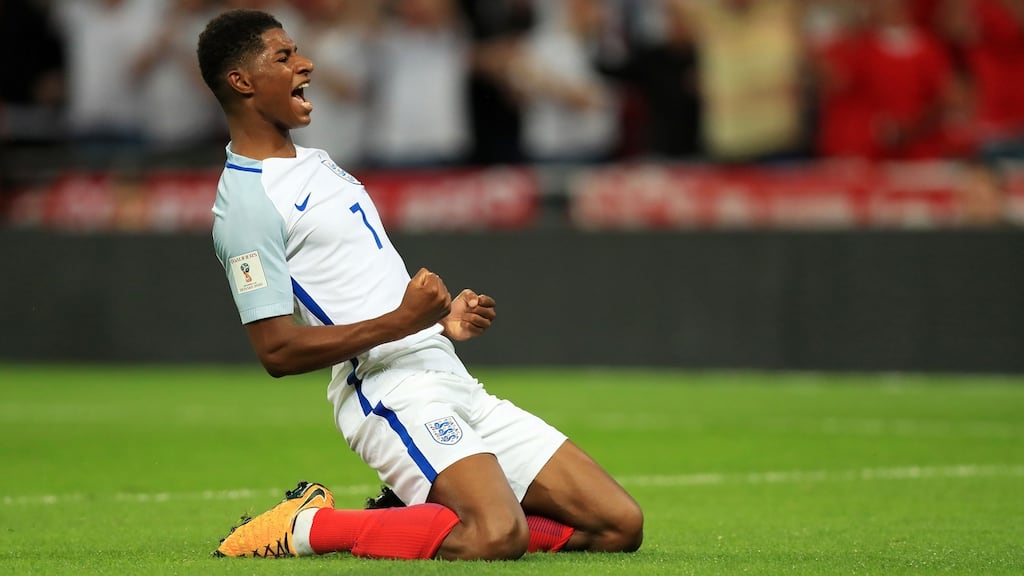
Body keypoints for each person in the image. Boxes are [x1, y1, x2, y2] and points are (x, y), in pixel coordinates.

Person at [196, 9, 643, 561]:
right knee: (495, 535)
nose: (305, 64)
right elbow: (277, 351)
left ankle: (417, 515)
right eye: (284, 57)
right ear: (241, 81)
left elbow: (357, 282)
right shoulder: (245, 205)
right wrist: (402, 322)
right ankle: (311, 527)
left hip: (448, 374)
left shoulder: (315, 162)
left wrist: (437, 322)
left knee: (619, 525)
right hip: (387, 392)